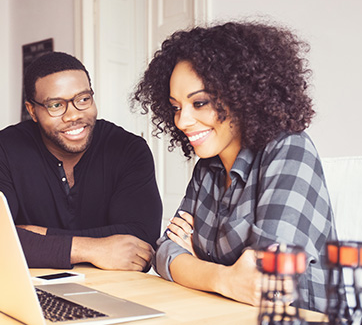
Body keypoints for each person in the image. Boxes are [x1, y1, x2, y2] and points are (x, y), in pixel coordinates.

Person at [132, 22, 336, 311]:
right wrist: (225, 278)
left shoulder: (290, 149)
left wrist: (194, 264)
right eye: (176, 107)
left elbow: (267, 280)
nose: (181, 121)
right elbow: (165, 251)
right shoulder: (207, 168)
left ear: (244, 95)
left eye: (199, 103)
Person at [0, 51, 162, 271]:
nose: (73, 116)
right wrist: (92, 249)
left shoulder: (128, 149)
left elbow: (141, 245)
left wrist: (32, 237)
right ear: (32, 110)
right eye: (56, 105)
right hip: (29, 289)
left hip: (115, 289)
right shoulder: (2, 149)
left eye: (83, 99)